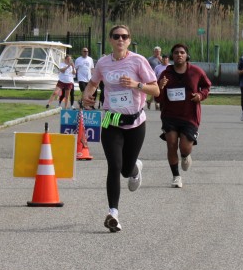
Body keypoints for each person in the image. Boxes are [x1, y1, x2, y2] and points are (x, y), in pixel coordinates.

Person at [81, 25, 159, 233]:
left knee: (125, 169)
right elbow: (93, 83)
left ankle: (135, 168)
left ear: (129, 40)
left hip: (135, 121)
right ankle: (113, 213)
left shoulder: (138, 61)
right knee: (114, 166)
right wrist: (87, 95)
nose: (120, 40)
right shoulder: (103, 63)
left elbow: (156, 90)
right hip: (111, 119)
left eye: (124, 36)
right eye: (116, 36)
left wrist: (136, 85)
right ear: (110, 40)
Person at [156, 44, 211, 188]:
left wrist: (200, 95)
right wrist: (160, 86)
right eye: (176, 53)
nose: (179, 55)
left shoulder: (196, 71)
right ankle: (176, 176)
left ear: (187, 56)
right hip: (170, 115)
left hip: (189, 116)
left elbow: (207, 86)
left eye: (182, 52)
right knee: (171, 143)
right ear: (172, 56)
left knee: (185, 148)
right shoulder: (166, 74)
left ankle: (185, 155)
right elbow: (158, 98)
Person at [147, 46, 164, 111]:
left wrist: (161, 60)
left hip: (160, 77)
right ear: (154, 52)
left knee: (158, 90)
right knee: (154, 90)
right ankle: (154, 103)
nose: (157, 53)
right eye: (156, 51)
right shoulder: (150, 59)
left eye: (159, 52)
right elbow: (147, 67)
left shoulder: (162, 58)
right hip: (152, 76)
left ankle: (154, 103)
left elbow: (164, 65)